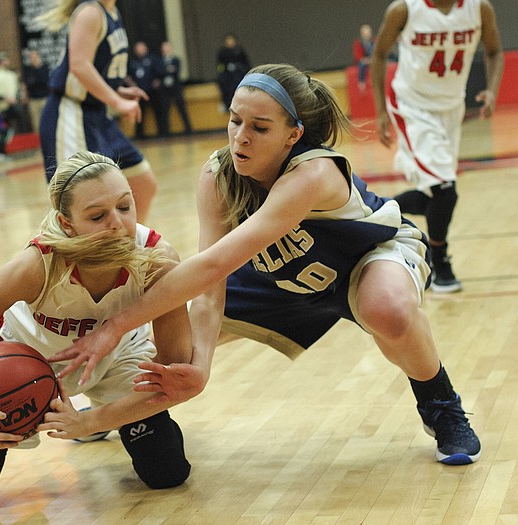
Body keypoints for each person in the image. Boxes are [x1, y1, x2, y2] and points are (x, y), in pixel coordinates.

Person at [51, 64, 483, 466]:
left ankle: (441, 406)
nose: (240, 137)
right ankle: (109, 404)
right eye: (235, 120)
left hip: (365, 259)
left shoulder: (311, 174)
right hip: (282, 280)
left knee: (386, 309)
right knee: (173, 338)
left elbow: (212, 264)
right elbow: (208, 286)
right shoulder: (219, 175)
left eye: (259, 128)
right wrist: (197, 366)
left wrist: (114, 326)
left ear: (293, 135)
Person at [0, 151, 193, 511]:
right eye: (98, 216)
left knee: (167, 471)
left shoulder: (157, 259)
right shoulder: (38, 265)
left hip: (118, 358)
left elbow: (176, 373)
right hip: (22, 365)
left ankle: (101, 412)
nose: (117, 224)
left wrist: (88, 421)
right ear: (67, 224)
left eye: (125, 206)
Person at [371, 0, 504, 293]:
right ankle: (438, 263)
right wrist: (381, 111)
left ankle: (375, 214)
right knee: (445, 189)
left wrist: (492, 91)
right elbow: (379, 55)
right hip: (412, 106)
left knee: (436, 193)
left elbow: (494, 51)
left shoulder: (479, 8)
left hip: (451, 107)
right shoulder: (404, 9)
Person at [36, 0, 158, 224]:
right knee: (71, 204)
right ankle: (66, 256)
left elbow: (98, 68)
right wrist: (118, 103)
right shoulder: (90, 12)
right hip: (70, 112)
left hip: (97, 114)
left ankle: (125, 248)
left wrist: (117, 90)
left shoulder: (112, 11)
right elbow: (79, 66)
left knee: (142, 182)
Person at [157, 41, 192, 137]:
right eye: (164, 47)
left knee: (181, 108)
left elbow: (177, 71)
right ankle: (165, 132)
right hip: (165, 89)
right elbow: (159, 72)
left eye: (168, 47)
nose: (166, 49)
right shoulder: (160, 61)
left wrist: (166, 70)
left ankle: (188, 129)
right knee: (164, 110)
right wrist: (168, 70)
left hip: (176, 88)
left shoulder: (176, 60)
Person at [127, 41, 161, 139]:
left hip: (152, 91)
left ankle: (162, 133)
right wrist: (131, 84)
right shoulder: (132, 61)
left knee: (157, 112)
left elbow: (160, 72)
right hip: (138, 92)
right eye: (138, 48)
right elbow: (126, 76)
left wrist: (157, 81)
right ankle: (139, 135)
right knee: (139, 114)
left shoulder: (152, 59)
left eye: (141, 48)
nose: (140, 50)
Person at [216, 33, 250, 112]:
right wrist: (221, 72)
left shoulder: (240, 51)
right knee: (223, 80)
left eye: (231, 40)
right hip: (227, 75)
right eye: (228, 40)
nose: (230, 42)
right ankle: (226, 104)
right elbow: (219, 66)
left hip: (238, 74)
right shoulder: (222, 52)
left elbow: (246, 65)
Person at [22, 49, 50, 133]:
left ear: (38, 56)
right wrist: (25, 96)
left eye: (34, 56)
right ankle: (38, 140)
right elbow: (27, 84)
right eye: (31, 57)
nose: (32, 58)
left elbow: (46, 81)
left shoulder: (45, 67)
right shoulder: (28, 70)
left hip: (44, 98)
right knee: (35, 121)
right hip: (33, 99)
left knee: (47, 119)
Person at [353, 24, 376, 93]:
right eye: (365, 33)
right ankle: (361, 82)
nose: (367, 35)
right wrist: (366, 60)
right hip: (364, 61)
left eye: (368, 32)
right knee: (362, 65)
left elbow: (378, 52)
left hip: (374, 59)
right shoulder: (358, 43)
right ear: (362, 34)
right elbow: (358, 55)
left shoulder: (375, 41)